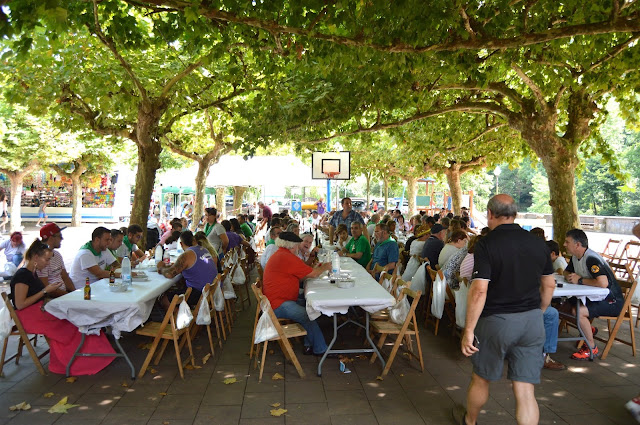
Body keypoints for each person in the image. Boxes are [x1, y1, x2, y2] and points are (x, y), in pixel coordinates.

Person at [457, 194, 555, 425]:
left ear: (490, 214)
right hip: (531, 321)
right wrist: (539, 311)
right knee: (525, 390)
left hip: (496, 322)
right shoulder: (538, 243)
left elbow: (480, 290)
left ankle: (469, 421)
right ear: (515, 214)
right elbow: (549, 284)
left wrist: (468, 330)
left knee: (481, 379)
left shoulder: (486, 244)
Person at [10, 239, 115, 375]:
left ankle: (92, 359)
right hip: (29, 316)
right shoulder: (22, 275)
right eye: (46, 260)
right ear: (36, 257)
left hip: (40, 310)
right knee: (71, 323)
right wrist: (45, 291)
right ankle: (76, 363)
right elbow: (20, 304)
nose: (48, 263)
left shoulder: (32, 273)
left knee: (76, 319)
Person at [262, 232, 332, 356]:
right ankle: (320, 349)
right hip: (278, 304)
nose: (298, 248)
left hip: (277, 300)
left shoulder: (282, 254)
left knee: (310, 304)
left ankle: (308, 345)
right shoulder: (287, 257)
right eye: (297, 245)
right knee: (309, 315)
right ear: (292, 246)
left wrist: (317, 267)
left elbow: (304, 271)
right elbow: (313, 274)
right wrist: (326, 267)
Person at [563, 228, 623, 360]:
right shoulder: (576, 257)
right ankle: (589, 329)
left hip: (611, 301)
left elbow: (603, 283)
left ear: (577, 244)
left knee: (580, 312)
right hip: (593, 297)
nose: (564, 245)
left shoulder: (591, 259)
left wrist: (579, 280)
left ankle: (592, 348)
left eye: (567, 242)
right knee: (564, 307)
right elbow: (566, 272)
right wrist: (569, 276)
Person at [157, 230, 217, 307]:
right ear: (194, 240)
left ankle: (176, 318)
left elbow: (170, 274)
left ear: (181, 244)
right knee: (179, 285)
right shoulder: (203, 249)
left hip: (200, 293)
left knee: (163, 297)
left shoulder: (187, 254)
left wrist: (161, 268)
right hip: (212, 290)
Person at [38, 223, 75, 293]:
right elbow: (46, 287)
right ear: (51, 238)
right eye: (60, 236)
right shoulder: (41, 258)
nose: (62, 238)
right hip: (51, 298)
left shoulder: (57, 255)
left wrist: (75, 293)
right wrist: (66, 295)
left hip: (62, 294)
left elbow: (65, 277)